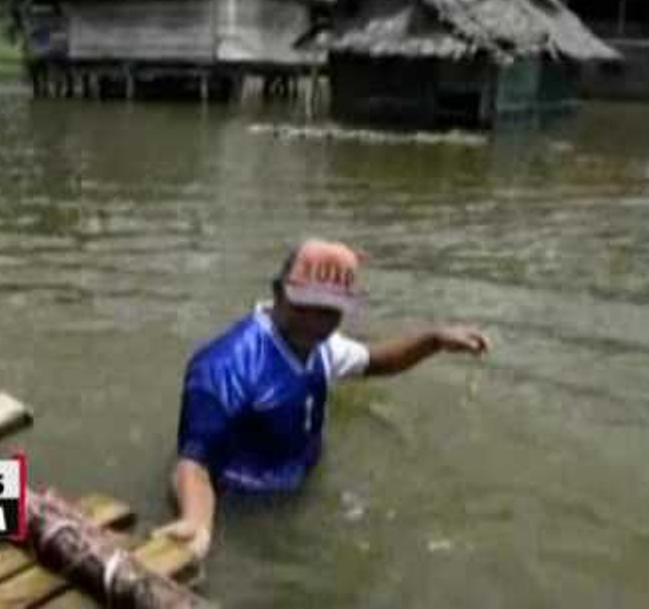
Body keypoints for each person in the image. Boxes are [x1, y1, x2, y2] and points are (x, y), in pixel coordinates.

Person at [156, 239, 490, 560]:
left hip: (299, 483)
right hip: (243, 506)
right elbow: (194, 464)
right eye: (306, 306)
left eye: (330, 311)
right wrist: (198, 521)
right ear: (278, 292)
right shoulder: (224, 367)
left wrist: (433, 341)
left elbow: (376, 361)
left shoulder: (320, 345)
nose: (316, 321)